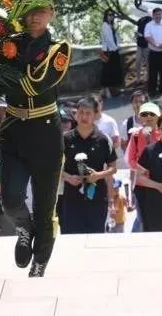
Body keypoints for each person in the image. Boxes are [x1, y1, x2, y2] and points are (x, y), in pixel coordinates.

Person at [0, 0, 71, 278]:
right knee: (10, 199)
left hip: (45, 132)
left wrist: (2, 71)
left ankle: (40, 263)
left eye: (41, 10)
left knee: (44, 207)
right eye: (29, 10)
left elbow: (33, 83)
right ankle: (22, 228)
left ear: (52, 13)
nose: (34, 16)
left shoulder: (58, 49)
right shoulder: (7, 43)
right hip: (14, 127)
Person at [60, 98, 118, 234]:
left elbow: (113, 167)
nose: (84, 117)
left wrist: (98, 175)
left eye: (88, 113)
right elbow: (53, 167)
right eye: (80, 113)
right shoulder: (65, 139)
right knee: (72, 239)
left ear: (95, 115)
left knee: (96, 238)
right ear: (75, 115)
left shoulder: (104, 140)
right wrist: (68, 177)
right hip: (71, 198)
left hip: (97, 198)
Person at [125, 102, 162, 232]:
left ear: (158, 116)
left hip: (160, 182)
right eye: (144, 114)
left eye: (152, 114)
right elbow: (130, 160)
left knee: (160, 217)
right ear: (140, 117)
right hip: (142, 185)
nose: (148, 117)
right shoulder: (135, 136)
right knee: (143, 219)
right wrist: (142, 169)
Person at [144, 7, 162, 96]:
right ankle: (152, 89)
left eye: (160, 14)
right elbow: (147, 36)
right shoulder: (149, 25)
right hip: (154, 51)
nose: (158, 16)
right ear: (153, 15)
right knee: (153, 71)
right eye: (156, 14)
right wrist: (155, 44)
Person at [99, 9, 123, 99]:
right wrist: (115, 48)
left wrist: (118, 45)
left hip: (114, 50)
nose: (111, 16)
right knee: (107, 72)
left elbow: (116, 37)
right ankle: (107, 91)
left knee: (114, 71)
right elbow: (108, 39)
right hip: (108, 51)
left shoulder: (111, 25)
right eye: (109, 15)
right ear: (106, 16)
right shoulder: (105, 25)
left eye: (112, 15)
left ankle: (113, 90)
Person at [134, 12, 152, 86]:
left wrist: (143, 35)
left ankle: (147, 79)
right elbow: (137, 30)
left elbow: (151, 33)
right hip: (139, 44)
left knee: (147, 62)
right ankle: (138, 80)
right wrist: (137, 35)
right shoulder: (140, 20)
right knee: (138, 62)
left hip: (147, 45)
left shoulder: (150, 20)